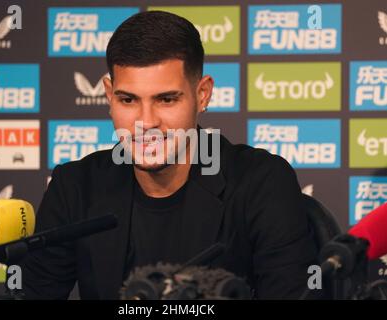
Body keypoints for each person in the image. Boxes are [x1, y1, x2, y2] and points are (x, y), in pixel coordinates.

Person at [20, 11, 320, 299]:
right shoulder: (75, 186)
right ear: (109, 95)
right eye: (128, 100)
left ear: (202, 95)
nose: (146, 122)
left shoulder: (261, 182)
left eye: (166, 99)